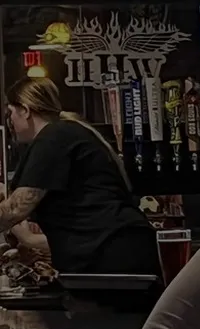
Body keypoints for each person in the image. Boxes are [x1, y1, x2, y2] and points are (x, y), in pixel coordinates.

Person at [2, 77, 160, 275]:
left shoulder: (53, 136)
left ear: (25, 110)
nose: (9, 122)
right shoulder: (65, 133)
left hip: (114, 254)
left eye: (10, 113)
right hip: (117, 250)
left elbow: (16, 208)